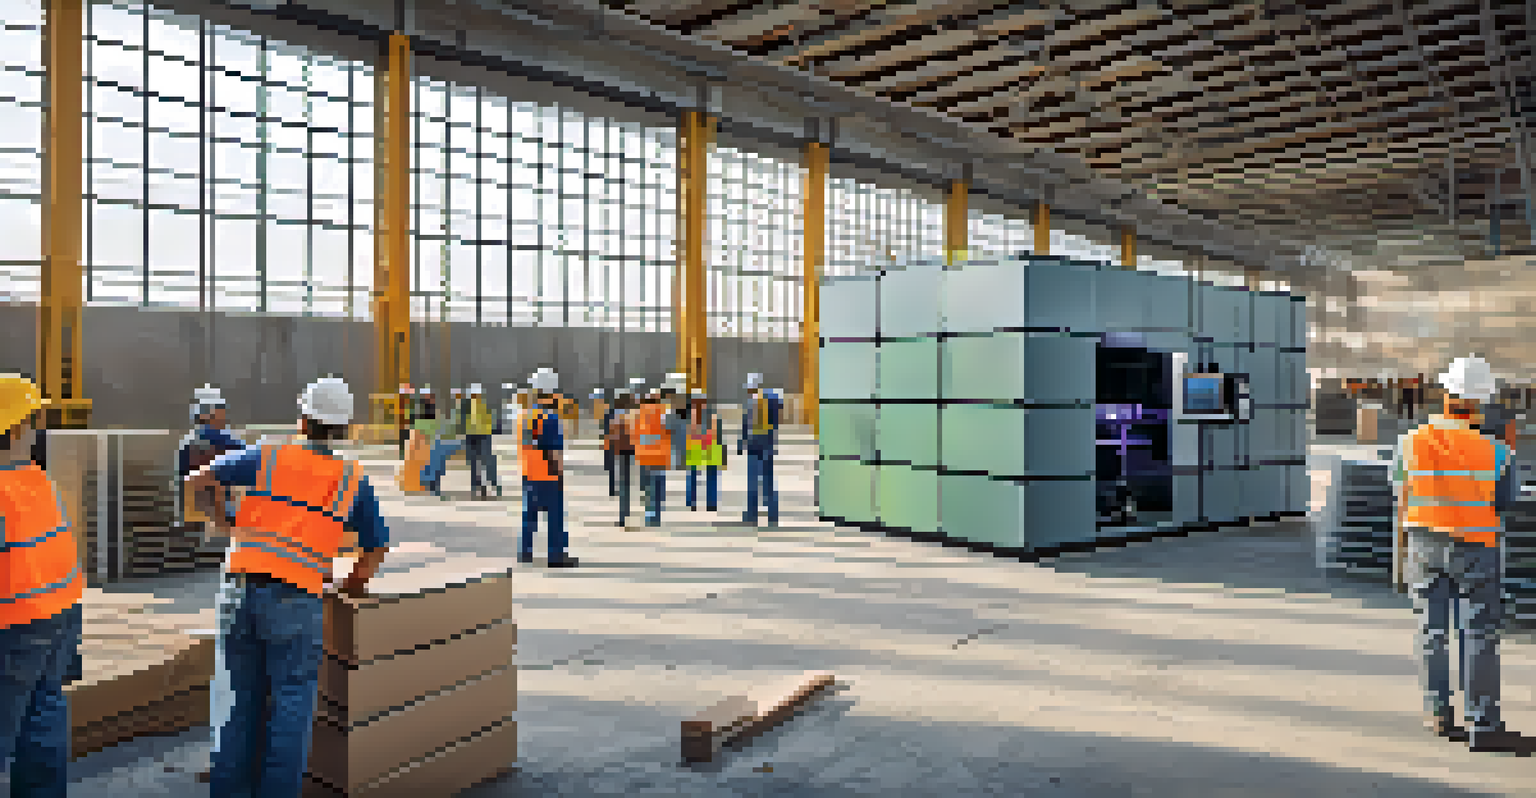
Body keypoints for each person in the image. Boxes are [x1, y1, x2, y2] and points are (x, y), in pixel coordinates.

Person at [183, 376, 390, 796]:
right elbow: (375, 549)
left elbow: (196, 482)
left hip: (239, 590)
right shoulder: (352, 479)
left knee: (237, 702)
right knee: (292, 709)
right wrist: (351, 583)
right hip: (297, 599)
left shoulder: (267, 455)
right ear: (344, 428)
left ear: (302, 419)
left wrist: (224, 522)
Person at [1395, 356, 1523, 753]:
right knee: (1479, 635)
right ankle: (1482, 724)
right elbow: (1506, 502)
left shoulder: (1411, 441)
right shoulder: (1497, 451)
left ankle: (1438, 713)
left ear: (1445, 394)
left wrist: (1400, 551)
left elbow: (1402, 491)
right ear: (1480, 402)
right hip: (1476, 548)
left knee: (1432, 633)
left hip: (1423, 545)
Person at [0, 375, 82, 798]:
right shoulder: (36, 479)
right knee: (43, 718)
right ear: (15, 428)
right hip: (59, 617)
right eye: (32, 420)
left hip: (13, 628)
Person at [521, 368, 577, 567]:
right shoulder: (551, 419)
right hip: (548, 474)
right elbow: (554, 450)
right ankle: (555, 556)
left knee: (529, 515)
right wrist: (559, 472)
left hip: (529, 472)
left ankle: (525, 552)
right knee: (554, 516)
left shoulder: (526, 416)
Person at [631, 377, 684, 527]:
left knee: (649, 487)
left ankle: (650, 515)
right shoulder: (665, 412)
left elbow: (635, 432)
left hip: (644, 454)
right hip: (660, 455)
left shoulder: (640, 412)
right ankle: (655, 515)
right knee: (657, 486)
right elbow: (673, 430)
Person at [739, 373, 782, 527]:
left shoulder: (752, 402)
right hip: (768, 443)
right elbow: (776, 422)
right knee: (768, 481)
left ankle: (751, 515)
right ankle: (772, 515)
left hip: (753, 445)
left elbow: (746, 423)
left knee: (752, 481)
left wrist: (741, 442)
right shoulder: (772, 399)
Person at [685, 388, 725, 512]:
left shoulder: (690, 415)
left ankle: (692, 502)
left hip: (696, 446)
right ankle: (711, 503)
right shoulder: (712, 414)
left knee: (693, 475)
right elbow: (718, 434)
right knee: (710, 476)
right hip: (710, 447)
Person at [465, 383, 501, 500]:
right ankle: (480, 486)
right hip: (475, 435)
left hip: (480, 435)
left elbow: (491, 419)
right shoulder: (472, 405)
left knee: (481, 461)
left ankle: (487, 485)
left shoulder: (482, 405)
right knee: (478, 461)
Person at [608, 388, 636, 527]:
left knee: (623, 484)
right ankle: (625, 512)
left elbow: (613, 433)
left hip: (621, 451)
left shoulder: (617, 415)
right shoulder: (633, 414)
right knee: (627, 484)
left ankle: (623, 515)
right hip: (632, 450)